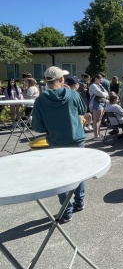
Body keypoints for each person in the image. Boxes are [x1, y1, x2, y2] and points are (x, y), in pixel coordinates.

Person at [32, 66, 87, 223]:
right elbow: (83, 110)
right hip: (77, 140)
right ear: (62, 80)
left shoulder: (40, 101)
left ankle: (66, 211)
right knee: (78, 172)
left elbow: (38, 128)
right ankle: (80, 201)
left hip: (56, 143)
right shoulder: (73, 94)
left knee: (61, 177)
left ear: (46, 82)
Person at [89, 74, 109, 141]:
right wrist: (105, 94)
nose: (101, 81)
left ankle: (98, 134)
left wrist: (105, 94)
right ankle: (95, 136)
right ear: (96, 79)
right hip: (96, 103)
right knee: (96, 120)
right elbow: (100, 93)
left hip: (102, 102)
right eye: (100, 79)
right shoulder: (93, 85)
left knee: (100, 119)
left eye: (101, 80)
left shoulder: (99, 85)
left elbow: (106, 93)